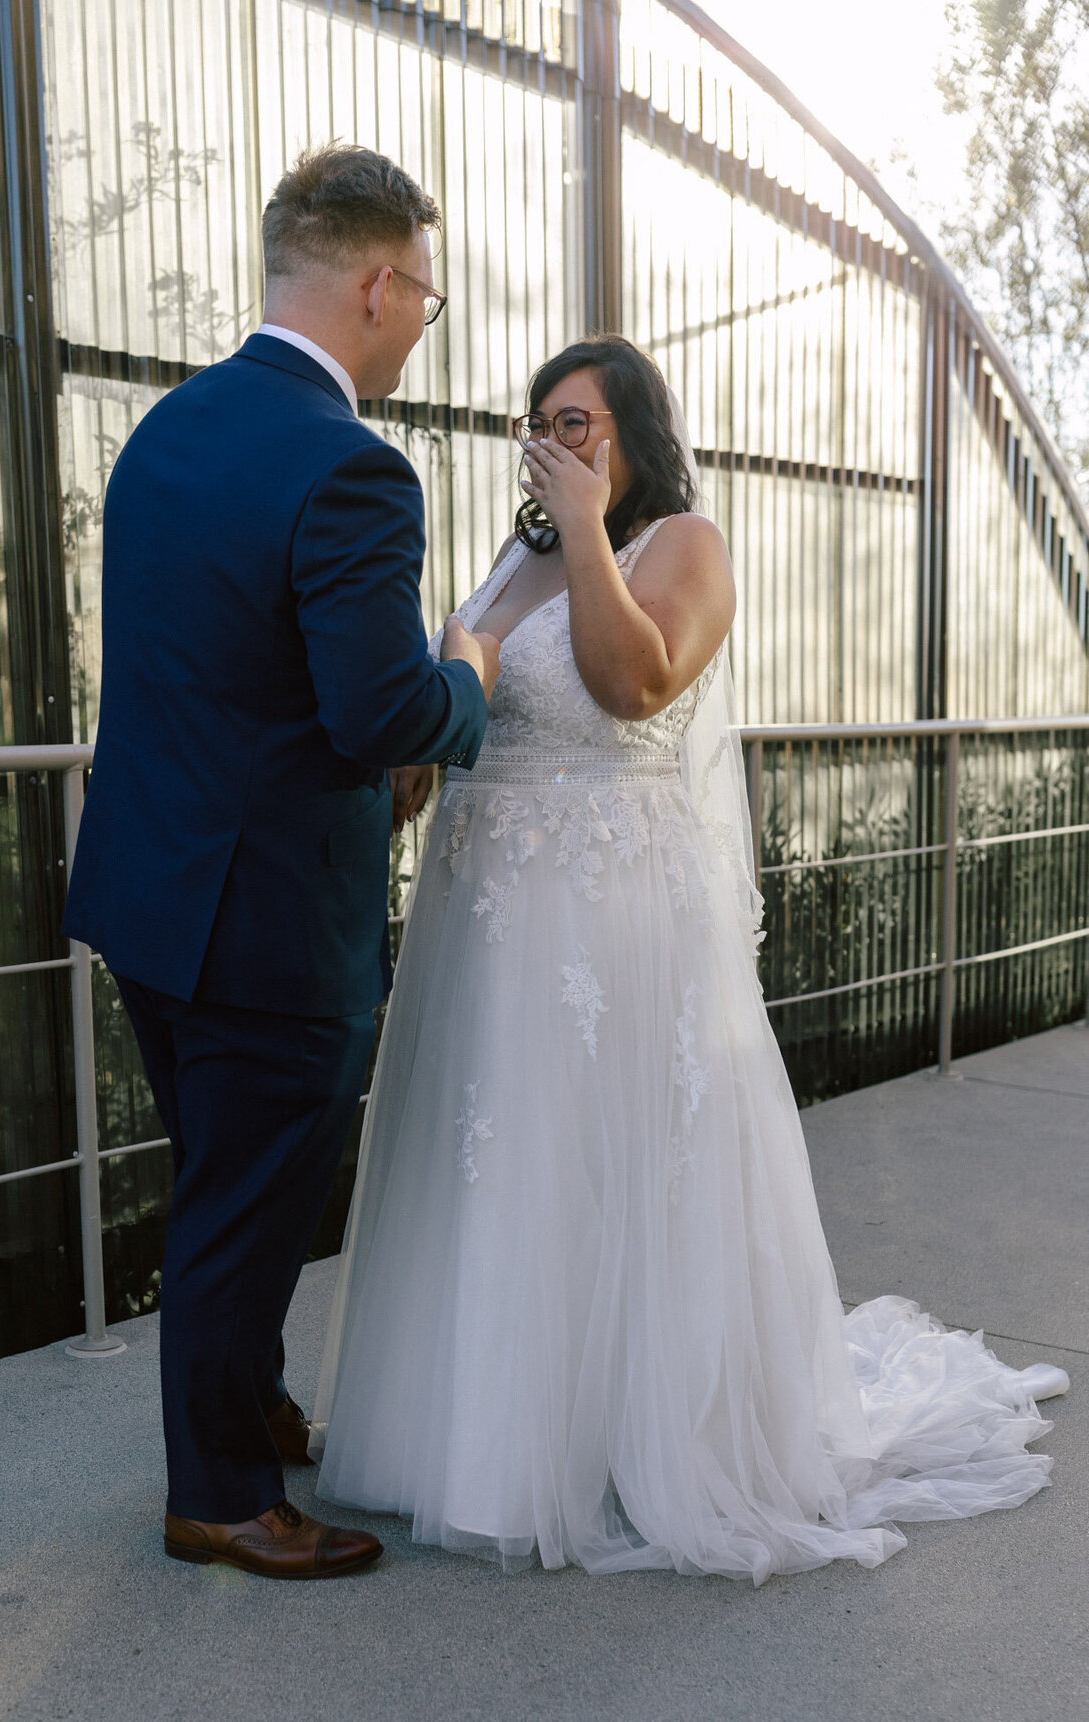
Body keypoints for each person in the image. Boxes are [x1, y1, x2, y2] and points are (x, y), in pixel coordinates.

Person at [310, 333, 1069, 1581]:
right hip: (491, 901)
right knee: (495, 1152)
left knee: (600, 1153)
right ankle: (474, 1435)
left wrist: (591, 531)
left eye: (578, 425)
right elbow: (468, 674)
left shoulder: (683, 546)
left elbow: (631, 683)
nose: (549, 444)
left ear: (634, 437)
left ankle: (618, 1438)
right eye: (540, 423)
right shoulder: (520, 553)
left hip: (606, 913)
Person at [63, 144, 500, 1580]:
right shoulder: (353, 469)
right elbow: (378, 711)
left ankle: (245, 1402)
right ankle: (221, 1493)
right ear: (379, 284)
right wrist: (469, 682)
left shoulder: (165, 434)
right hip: (272, 924)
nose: (414, 324)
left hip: (151, 895)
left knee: (223, 1183)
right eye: (423, 300)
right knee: (247, 1204)